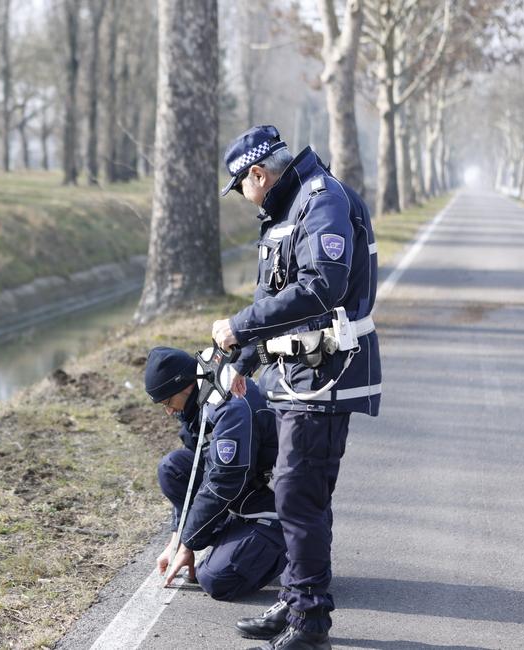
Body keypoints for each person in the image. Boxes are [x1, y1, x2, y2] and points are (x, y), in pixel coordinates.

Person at [211, 125, 380, 650]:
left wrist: (238, 324)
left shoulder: (321, 200)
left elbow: (320, 287)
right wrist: (240, 357)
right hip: (294, 376)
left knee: (298, 494)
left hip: (326, 373)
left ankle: (311, 623)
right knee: (300, 495)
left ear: (257, 174)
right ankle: (297, 598)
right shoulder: (286, 210)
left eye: (240, 186)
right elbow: (274, 293)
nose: (242, 196)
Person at [144, 346, 286, 601]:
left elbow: (222, 483)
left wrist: (189, 545)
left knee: (216, 580)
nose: (168, 411)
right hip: (246, 494)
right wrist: (176, 542)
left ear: (186, 386)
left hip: (277, 508)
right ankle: (238, 542)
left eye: (167, 402)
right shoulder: (200, 399)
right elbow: (194, 479)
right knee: (173, 468)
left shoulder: (230, 405)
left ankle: (286, 550)